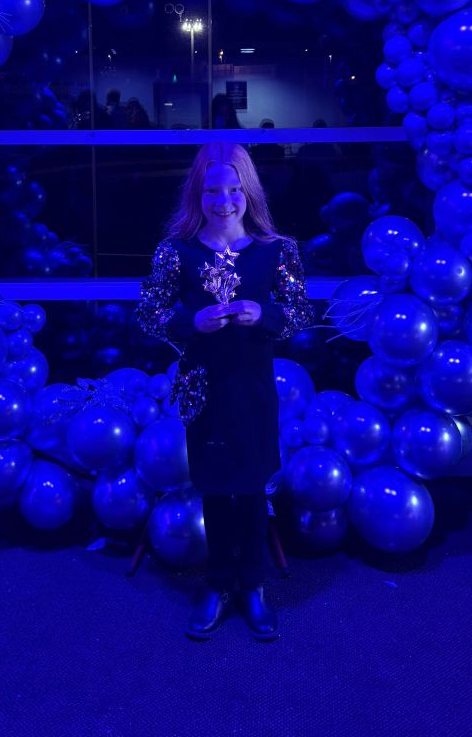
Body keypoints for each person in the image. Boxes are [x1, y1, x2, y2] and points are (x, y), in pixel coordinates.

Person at [136, 142, 314, 641]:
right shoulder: (177, 251)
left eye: (234, 189)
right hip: (205, 392)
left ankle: (253, 586)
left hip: (252, 392)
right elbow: (148, 313)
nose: (224, 201)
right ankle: (217, 584)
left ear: (248, 191)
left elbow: (300, 311)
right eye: (213, 190)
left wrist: (266, 314)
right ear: (198, 193)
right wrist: (191, 323)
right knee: (215, 491)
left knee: (253, 491)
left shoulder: (275, 250)